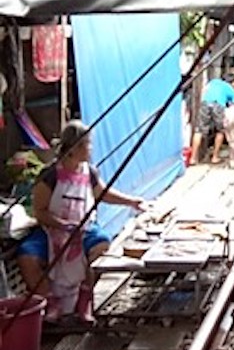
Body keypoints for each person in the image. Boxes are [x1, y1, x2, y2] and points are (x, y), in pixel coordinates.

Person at [16, 120, 146, 322]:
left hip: (83, 228)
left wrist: (131, 202)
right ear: (74, 148)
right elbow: (40, 212)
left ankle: (85, 300)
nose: (91, 148)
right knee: (27, 256)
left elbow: (102, 194)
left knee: (102, 244)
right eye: (87, 144)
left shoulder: (89, 172)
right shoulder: (50, 175)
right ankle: (51, 301)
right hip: (52, 230)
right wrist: (62, 225)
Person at [190, 73, 234, 164]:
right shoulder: (229, 88)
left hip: (205, 103)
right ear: (233, 83)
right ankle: (215, 157)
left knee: (199, 130)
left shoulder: (213, 82)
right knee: (220, 131)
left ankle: (193, 158)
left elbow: (205, 90)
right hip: (218, 105)